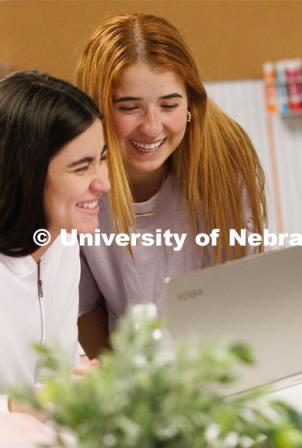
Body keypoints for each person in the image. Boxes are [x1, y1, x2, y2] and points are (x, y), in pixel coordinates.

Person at [75, 14, 267, 353]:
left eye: (169, 105)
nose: (152, 127)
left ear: (191, 103)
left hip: (220, 361)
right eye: (129, 107)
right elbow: (85, 311)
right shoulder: (76, 180)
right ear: (97, 110)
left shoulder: (226, 154)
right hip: (135, 375)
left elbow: (247, 290)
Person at [0, 71, 110, 412]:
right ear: (26, 173)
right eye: (82, 167)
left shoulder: (60, 244)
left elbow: (55, 368)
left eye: (103, 158)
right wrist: (27, 404)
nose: (103, 182)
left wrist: (80, 378)